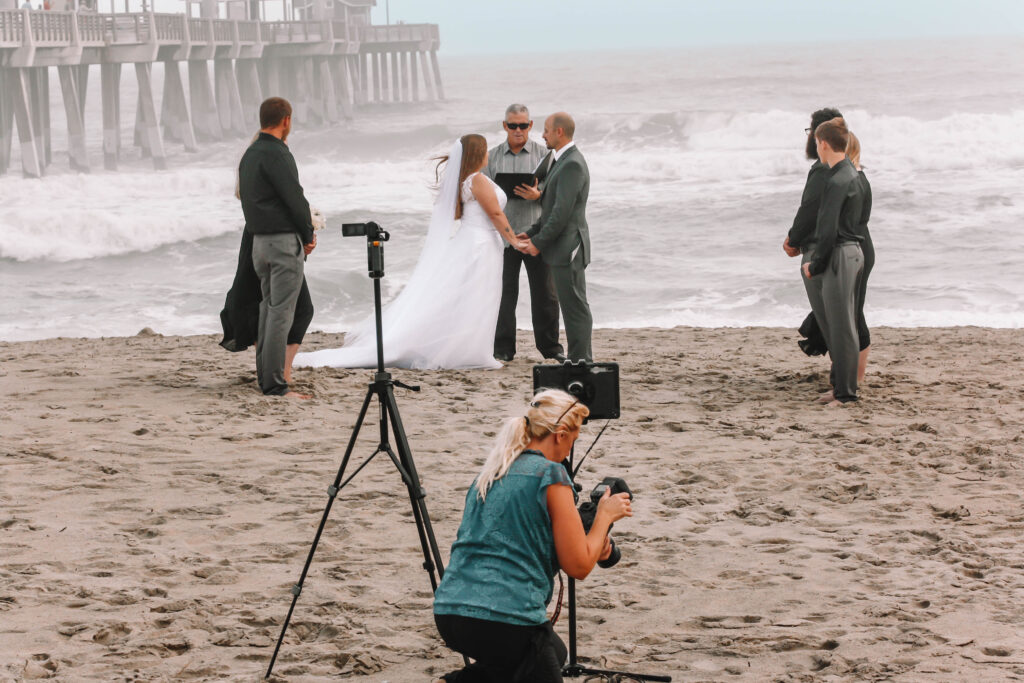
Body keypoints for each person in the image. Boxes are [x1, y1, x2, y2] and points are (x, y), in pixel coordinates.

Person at [433, 389, 632, 682]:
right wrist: (604, 516)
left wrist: (592, 540)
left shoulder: (490, 473)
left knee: (552, 650)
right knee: (534, 652)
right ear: (560, 434)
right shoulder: (551, 474)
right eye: (573, 441)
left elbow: (514, 540)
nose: (569, 451)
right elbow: (578, 566)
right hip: (503, 617)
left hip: (450, 611)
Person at [294, 134, 523, 370]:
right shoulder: (477, 180)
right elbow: (495, 215)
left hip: (476, 242)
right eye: (485, 150)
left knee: (473, 298)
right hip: (480, 245)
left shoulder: (467, 181)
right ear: (478, 153)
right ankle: (472, 352)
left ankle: (469, 350)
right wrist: (514, 241)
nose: (488, 154)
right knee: (478, 297)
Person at [219, 134, 316, 389]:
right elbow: (294, 199)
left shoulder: (250, 160)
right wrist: (307, 233)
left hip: (257, 242)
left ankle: (274, 376)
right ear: (286, 122)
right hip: (276, 242)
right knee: (283, 311)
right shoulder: (274, 155)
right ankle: (276, 380)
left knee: (273, 309)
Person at [486, 104, 565, 363]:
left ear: (531, 126)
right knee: (504, 295)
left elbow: (558, 196)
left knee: (545, 295)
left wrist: (538, 194)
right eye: (512, 125)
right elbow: (482, 194)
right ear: (504, 126)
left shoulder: (546, 155)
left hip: (536, 236)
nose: (518, 130)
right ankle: (503, 349)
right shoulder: (493, 157)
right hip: (504, 238)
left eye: (523, 125)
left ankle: (551, 349)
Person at [518, 113, 594, 362]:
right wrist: (530, 233)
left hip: (569, 247)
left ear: (559, 132)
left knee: (575, 308)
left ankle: (580, 361)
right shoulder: (560, 160)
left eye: (547, 130)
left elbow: (562, 214)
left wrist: (537, 244)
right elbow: (551, 208)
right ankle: (580, 359)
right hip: (562, 247)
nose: (542, 135)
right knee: (572, 305)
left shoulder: (572, 164)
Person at [802, 117, 866, 406]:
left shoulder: (836, 179)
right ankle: (841, 388)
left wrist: (814, 266)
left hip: (839, 254)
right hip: (855, 251)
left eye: (817, 142)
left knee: (841, 328)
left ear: (824, 143)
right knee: (845, 326)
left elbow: (827, 230)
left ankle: (845, 394)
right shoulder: (856, 175)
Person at [847, 132, 874, 383]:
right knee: (851, 312)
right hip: (859, 248)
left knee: (854, 314)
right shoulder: (853, 177)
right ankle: (850, 373)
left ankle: (858, 376)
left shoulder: (855, 179)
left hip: (859, 250)